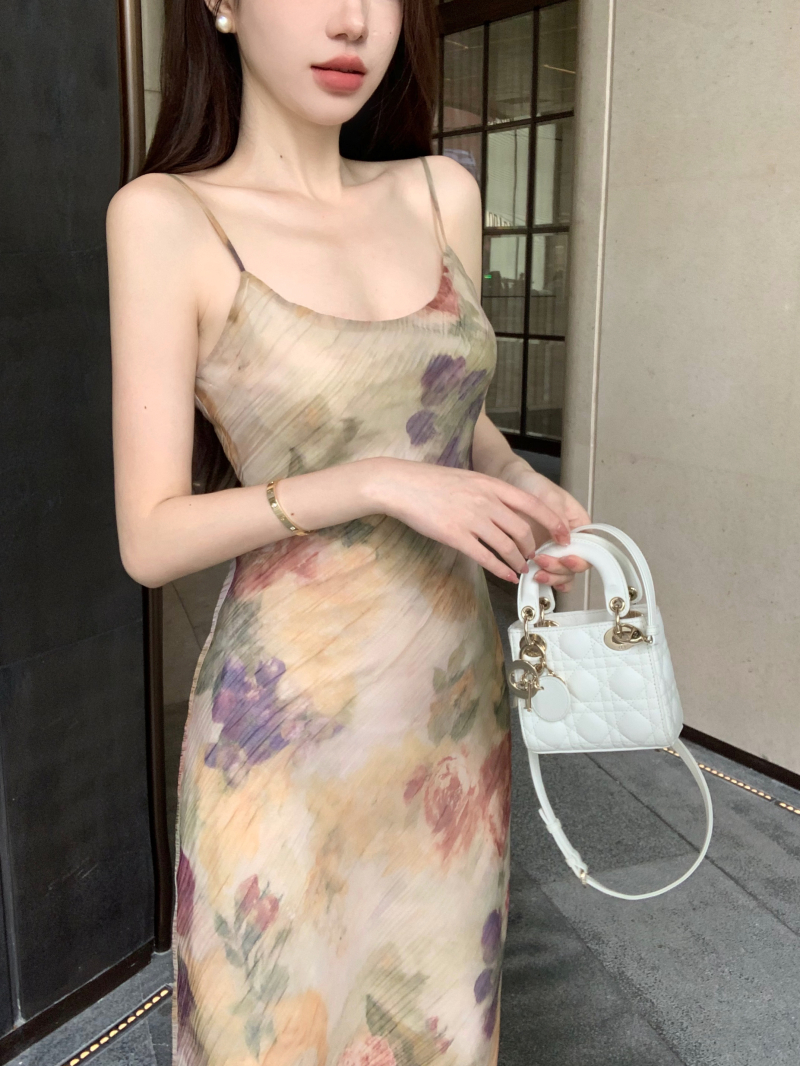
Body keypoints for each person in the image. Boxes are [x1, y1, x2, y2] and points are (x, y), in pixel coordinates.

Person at [106, 1, 590, 1063]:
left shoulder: (441, 192)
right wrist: (374, 483)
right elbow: (149, 536)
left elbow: (451, 412)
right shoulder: (167, 218)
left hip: (448, 718)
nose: (352, 21)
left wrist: (519, 485)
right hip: (284, 732)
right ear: (221, 5)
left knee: (435, 1022)